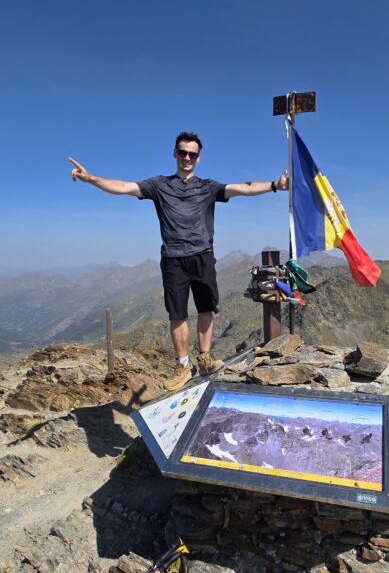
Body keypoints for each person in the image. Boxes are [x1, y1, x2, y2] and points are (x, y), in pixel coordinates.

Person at [68, 131, 289, 391]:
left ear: (198, 157)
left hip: (202, 256)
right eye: (183, 152)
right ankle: (184, 367)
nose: (187, 158)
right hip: (173, 258)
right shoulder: (159, 185)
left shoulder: (208, 187)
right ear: (175, 153)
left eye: (192, 154)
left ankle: (205, 358)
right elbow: (124, 187)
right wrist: (91, 178)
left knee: (206, 308)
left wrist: (275, 185)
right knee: (178, 314)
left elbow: (242, 188)